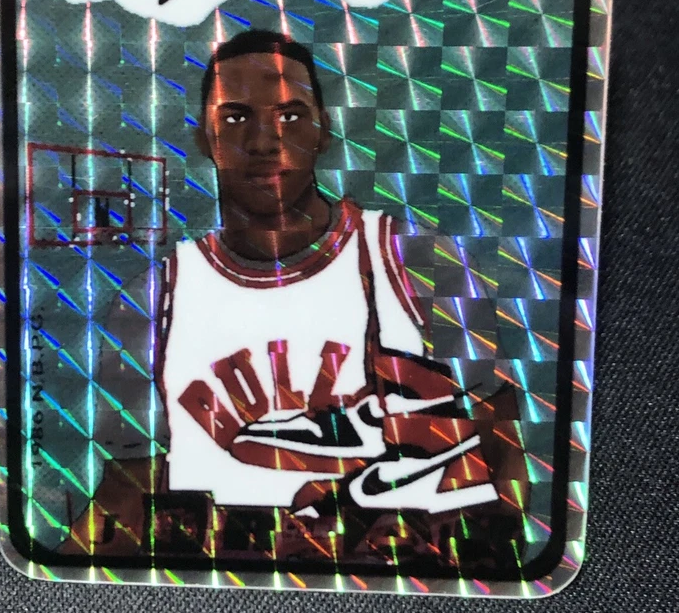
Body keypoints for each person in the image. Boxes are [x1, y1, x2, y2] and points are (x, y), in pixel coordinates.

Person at [62, 29, 527, 571]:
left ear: (323, 130)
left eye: (289, 116)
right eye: (236, 117)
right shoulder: (149, 301)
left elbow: (505, 451)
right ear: (204, 137)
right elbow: (125, 499)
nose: (264, 141)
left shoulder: (419, 261)